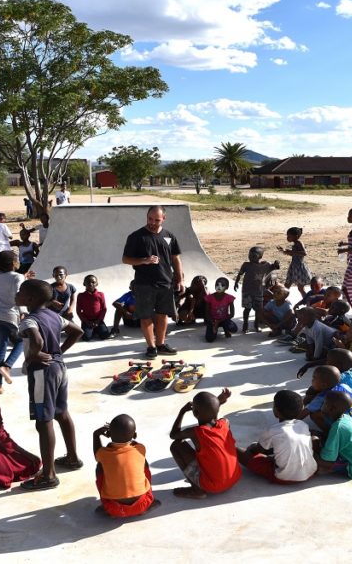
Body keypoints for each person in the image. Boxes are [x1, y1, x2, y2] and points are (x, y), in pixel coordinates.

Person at [15, 279, 84, 491]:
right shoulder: (54, 316)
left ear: (31, 299)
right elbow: (77, 331)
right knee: (62, 412)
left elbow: (35, 340)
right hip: (60, 368)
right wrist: (58, 352)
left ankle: (48, 475)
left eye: (21, 292)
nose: (17, 294)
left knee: (43, 421)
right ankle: (72, 458)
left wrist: (34, 355)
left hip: (42, 373)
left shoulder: (29, 320)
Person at [121, 206, 184, 359]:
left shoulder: (169, 236)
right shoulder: (136, 237)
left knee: (163, 315)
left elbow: (175, 258)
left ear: (164, 219)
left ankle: (161, 344)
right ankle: (151, 347)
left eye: (156, 220)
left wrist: (180, 278)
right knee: (146, 316)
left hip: (165, 283)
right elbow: (125, 259)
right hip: (144, 284)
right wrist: (144, 260)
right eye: (150, 219)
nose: (152, 222)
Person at [169, 388, 241, 499]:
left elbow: (173, 435)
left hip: (214, 486)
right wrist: (217, 403)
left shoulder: (196, 432)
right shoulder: (225, 423)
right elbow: (212, 414)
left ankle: (197, 490)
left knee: (176, 446)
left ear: (195, 413)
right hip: (234, 478)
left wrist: (182, 411)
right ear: (217, 410)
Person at [237, 390, 317, 483]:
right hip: (310, 473)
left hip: (284, 477)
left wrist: (252, 448)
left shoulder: (274, 430)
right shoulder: (304, 425)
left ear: (276, 411)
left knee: (238, 451)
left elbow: (257, 450)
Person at [93, 414, 160, 518]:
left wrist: (96, 435)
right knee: (142, 462)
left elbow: (97, 453)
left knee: (100, 466)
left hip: (114, 509)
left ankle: (106, 505)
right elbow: (133, 445)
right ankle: (147, 500)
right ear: (135, 435)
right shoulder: (141, 448)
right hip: (143, 504)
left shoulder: (103, 453)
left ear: (109, 434)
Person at [0, 250, 31, 393]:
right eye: (17, 259)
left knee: (0, 349)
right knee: (22, 341)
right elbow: (18, 295)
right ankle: (7, 366)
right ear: (13, 263)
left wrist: (23, 277)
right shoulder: (17, 277)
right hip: (11, 316)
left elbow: (9, 282)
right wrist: (23, 312)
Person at [314, 392, 352, 480]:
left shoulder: (338, 427)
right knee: (320, 437)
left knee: (317, 457)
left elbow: (326, 459)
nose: (322, 405)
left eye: (324, 403)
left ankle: (339, 467)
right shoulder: (346, 417)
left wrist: (314, 451)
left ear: (331, 408)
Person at [301, 365, 352, 437]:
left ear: (323, 385)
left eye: (314, 378)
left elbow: (305, 412)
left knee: (314, 414)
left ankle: (330, 435)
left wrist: (291, 421)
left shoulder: (323, 397)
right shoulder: (344, 386)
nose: (312, 380)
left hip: (351, 436)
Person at [235, 246, 280, 333]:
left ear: (260, 256)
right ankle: (245, 325)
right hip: (247, 291)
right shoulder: (246, 265)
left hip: (259, 291)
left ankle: (256, 325)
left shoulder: (265, 265)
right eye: (249, 255)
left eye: (254, 256)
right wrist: (236, 283)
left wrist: (276, 263)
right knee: (247, 309)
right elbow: (240, 274)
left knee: (258, 310)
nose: (251, 257)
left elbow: (275, 267)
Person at [278, 227, 312, 299]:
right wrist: (285, 251)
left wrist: (291, 252)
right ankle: (280, 300)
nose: (287, 238)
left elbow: (304, 253)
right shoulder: (295, 244)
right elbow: (295, 254)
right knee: (287, 285)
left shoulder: (299, 243)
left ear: (296, 236)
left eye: (289, 236)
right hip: (293, 266)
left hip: (299, 267)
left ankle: (308, 302)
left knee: (300, 288)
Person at [76, 275, 111, 342]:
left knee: (105, 336)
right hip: (87, 321)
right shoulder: (81, 296)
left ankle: (96, 329)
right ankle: (93, 330)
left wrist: (98, 321)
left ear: (97, 284)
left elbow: (104, 309)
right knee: (86, 338)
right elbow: (79, 311)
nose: (90, 284)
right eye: (88, 282)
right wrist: (86, 321)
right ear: (84, 283)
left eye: (93, 282)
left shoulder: (101, 294)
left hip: (98, 320)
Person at [204, 277, 238, 343]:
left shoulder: (229, 298)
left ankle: (226, 330)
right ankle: (214, 329)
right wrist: (213, 322)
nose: (219, 287)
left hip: (224, 320)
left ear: (227, 287)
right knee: (209, 339)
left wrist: (219, 321)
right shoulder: (209, 298)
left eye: (222, 285)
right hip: (212, 320)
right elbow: (207, 313)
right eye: (217, 284)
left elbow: (232, 314)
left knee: (234, 329)